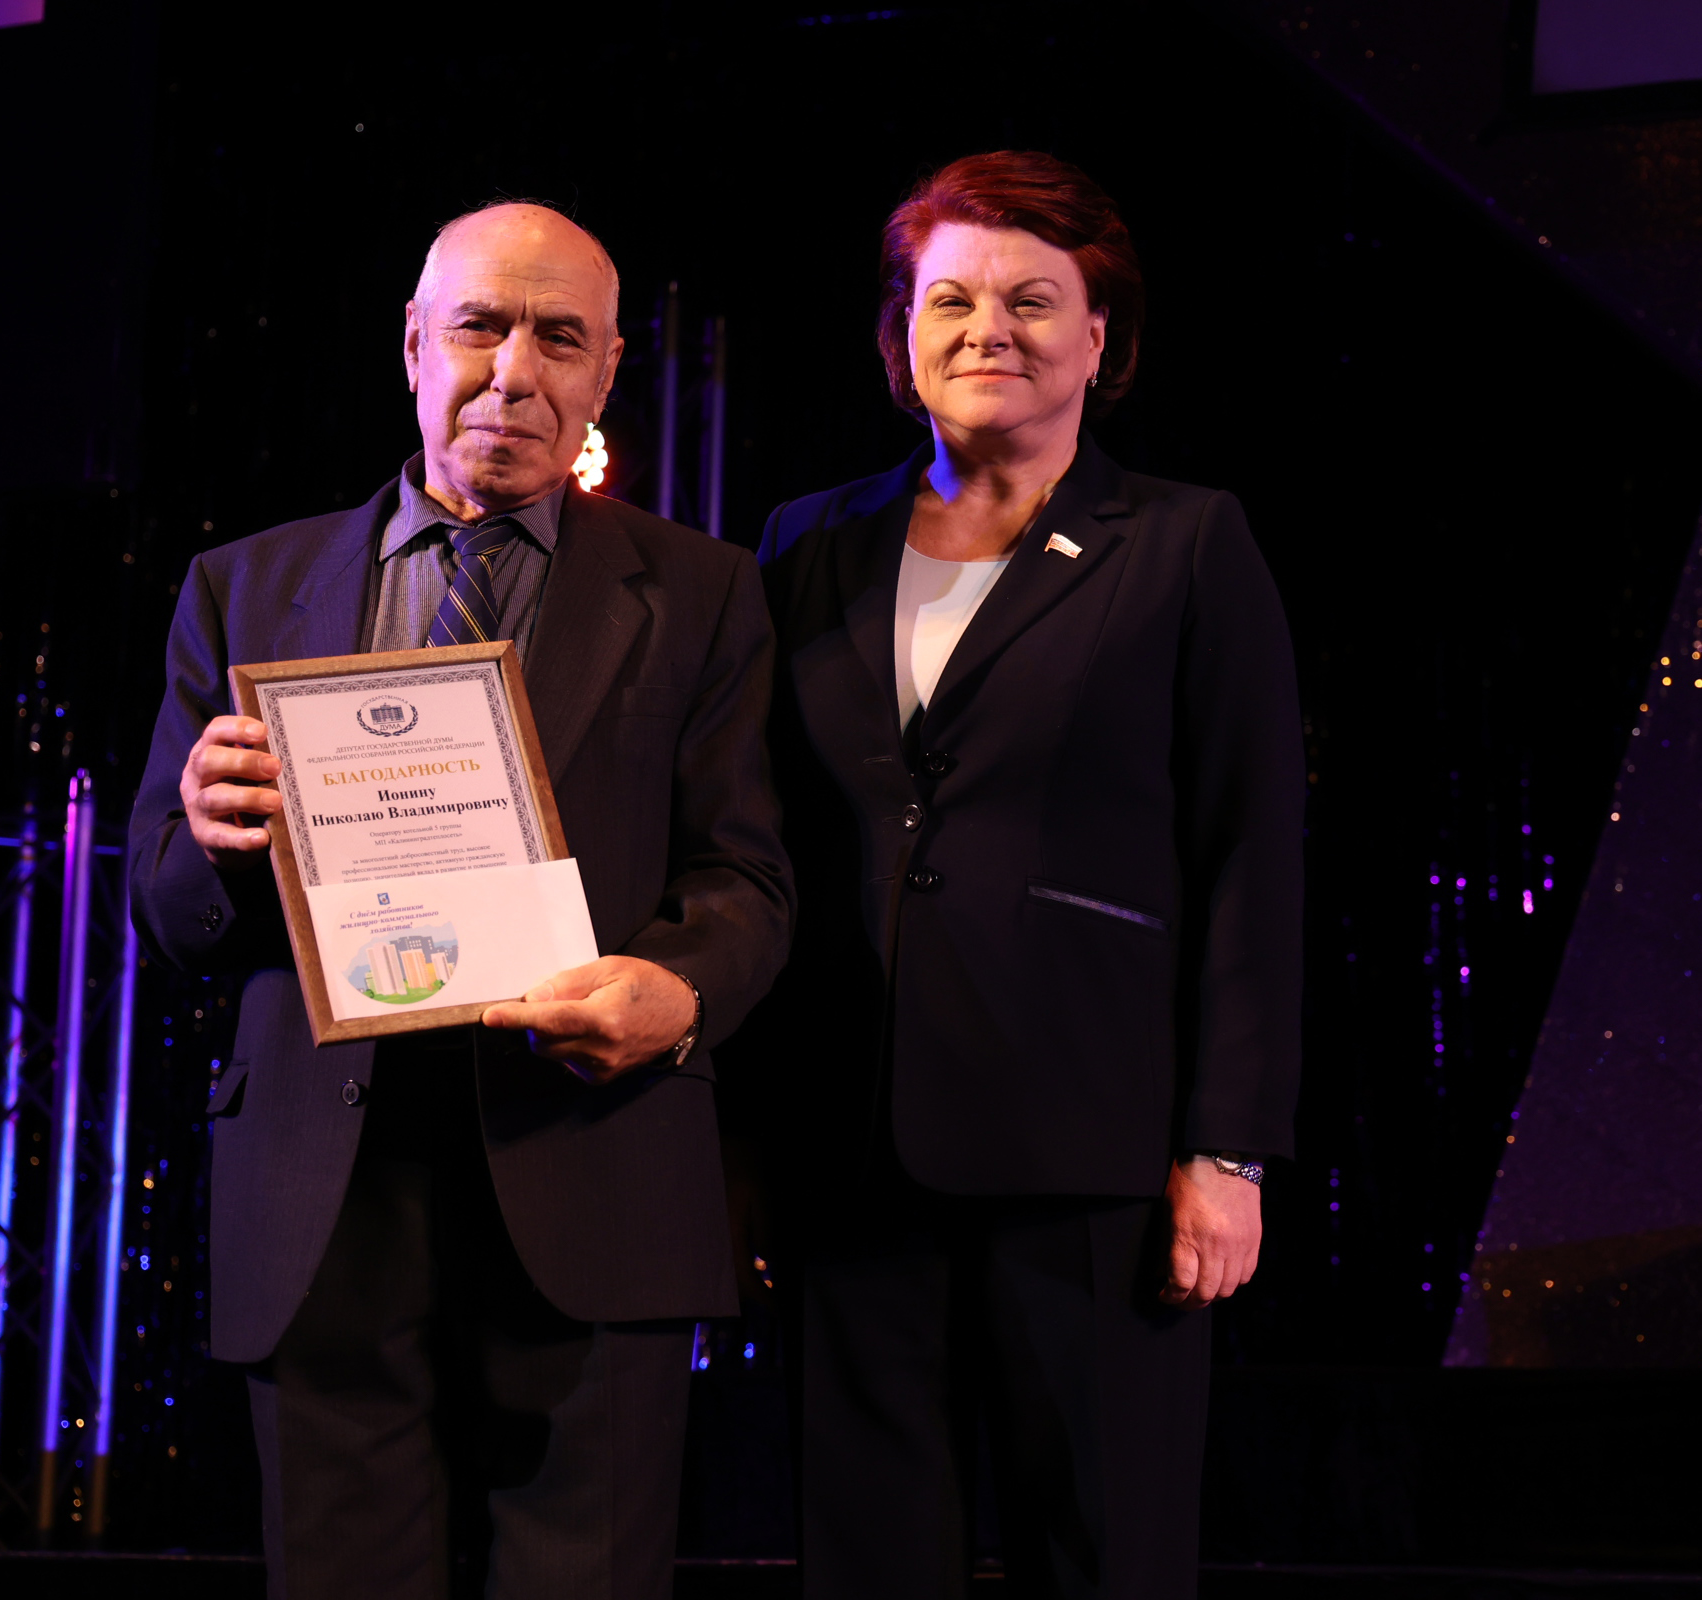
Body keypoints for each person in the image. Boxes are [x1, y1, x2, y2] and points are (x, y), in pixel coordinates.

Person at [128, 201, 792, 1599]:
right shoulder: (243, 587)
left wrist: (677, 989)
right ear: (415, 345)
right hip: (324, 1195)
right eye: (482, 327)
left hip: (594, 1162)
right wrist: (211, 838)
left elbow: (747, 876)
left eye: (561, 339)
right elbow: (170, 914)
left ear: (607, 372)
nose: (515, 373)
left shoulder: (707, 592)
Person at [734, 151, 1304, 1597]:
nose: (989, 329)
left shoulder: (1186, 541)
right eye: (952, 300)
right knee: (866, 1563)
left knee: (1106, 1561)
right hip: (851, 1150)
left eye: (1033, 300)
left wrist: (1226, 1149)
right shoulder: (806, 542)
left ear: (1099, 338)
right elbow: (761, 834)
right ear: (901, 336)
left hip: (1098, 1161)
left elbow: (1250, 855)